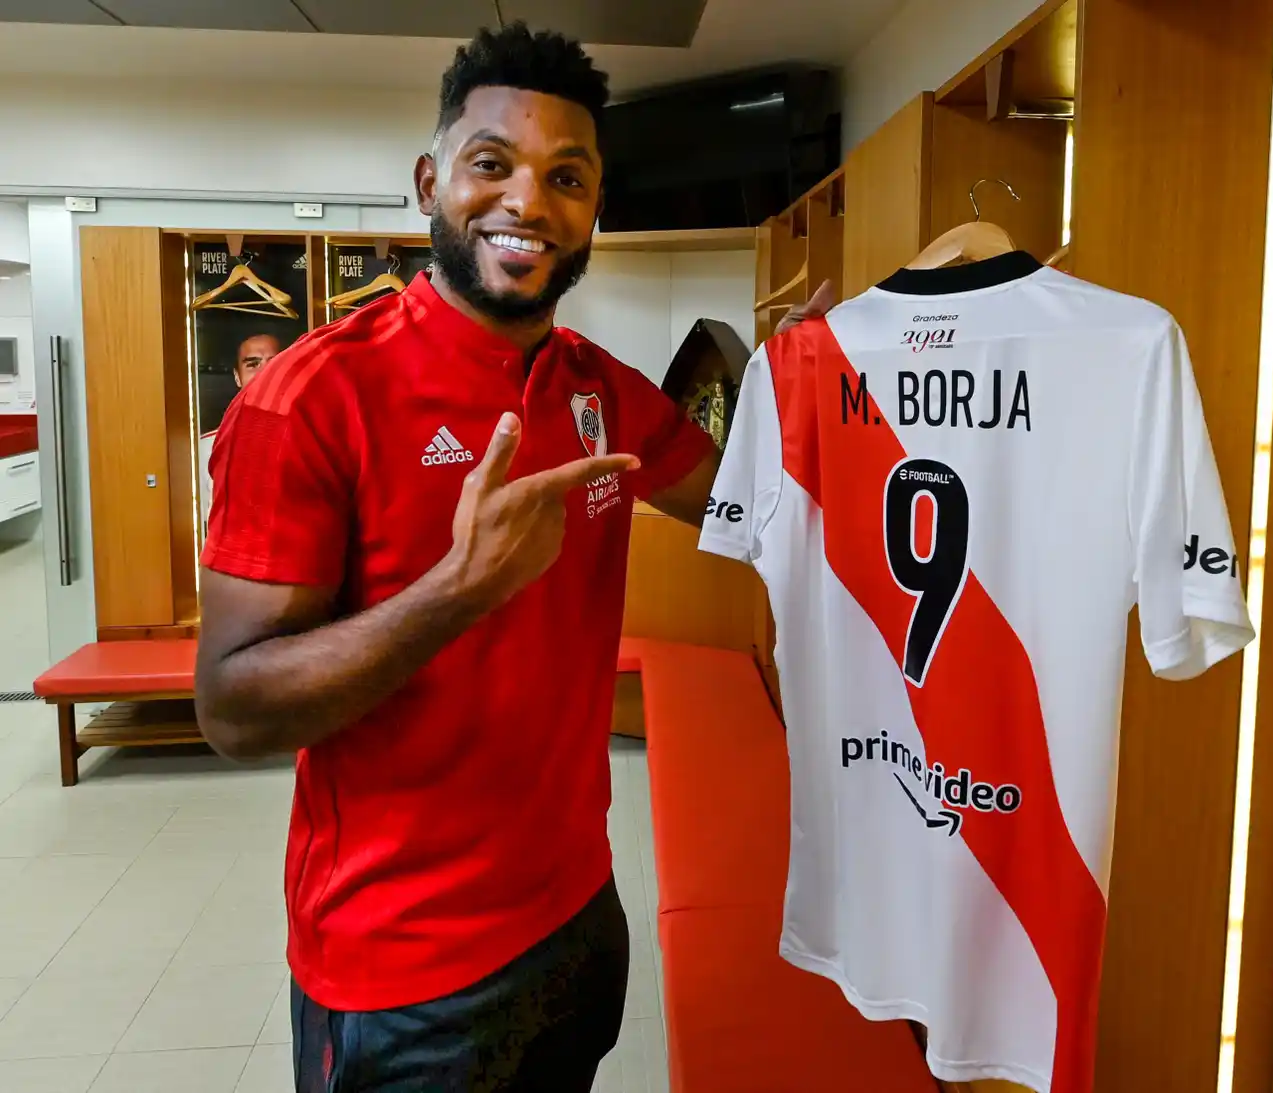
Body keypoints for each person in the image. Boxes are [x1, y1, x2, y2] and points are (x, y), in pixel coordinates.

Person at [193, 23, 832, 1093]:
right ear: (430, 179)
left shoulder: (599, 386)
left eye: (566, 176)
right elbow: (232, 707)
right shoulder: (310, 399)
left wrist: (813, 385)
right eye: (492, 164)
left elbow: (752, 506)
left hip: (579, 917)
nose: (528, 202)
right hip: (406, 977)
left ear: (592, 209)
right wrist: (454, 592)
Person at [198, 333, 281, 533]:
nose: (264, 372)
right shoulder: (206, 449)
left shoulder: (312, 441)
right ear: (237, 376)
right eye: (253, 364)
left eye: (274, 362)